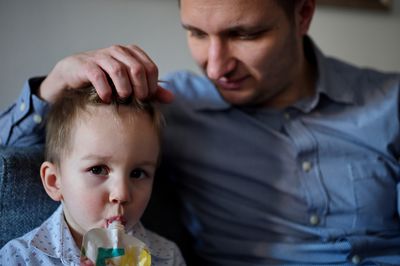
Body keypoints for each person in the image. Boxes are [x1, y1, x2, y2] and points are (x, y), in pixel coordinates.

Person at [1, 0, 400, 264]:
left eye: (244, 35)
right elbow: (15, 163)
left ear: (302, 14)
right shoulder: (170, 108)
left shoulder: (390, 103)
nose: (214, 66)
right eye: (196, 33)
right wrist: (49, 87)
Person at [0, 86, 185, 265]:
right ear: (55, 181)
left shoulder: (167, 257)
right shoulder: (20, 258)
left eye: (137, 173)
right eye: (98, 170)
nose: (121, 194)